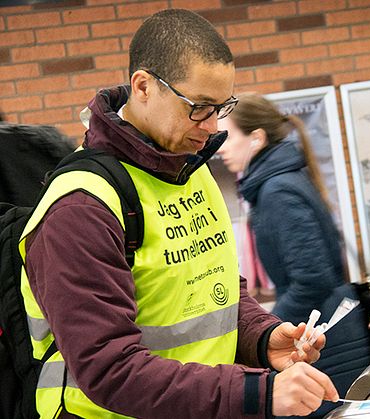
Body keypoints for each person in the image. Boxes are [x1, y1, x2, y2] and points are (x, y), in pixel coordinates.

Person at [20, 9, 338, 419]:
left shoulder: (192, 170)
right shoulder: (81, 207)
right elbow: (109, 369)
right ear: (144, 87)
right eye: (200, 107)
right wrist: (256, 393)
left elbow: (214, 292)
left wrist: (263, 335)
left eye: (222, 107)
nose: (212, 127)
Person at [217, 93, 370, 418]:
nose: (221, 147)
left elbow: (312, 277)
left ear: (256, 138)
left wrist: (269, 332)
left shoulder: (277, 190)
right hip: (331, 333)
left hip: (330, 343)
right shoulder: (281, 181)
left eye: (228, 136)